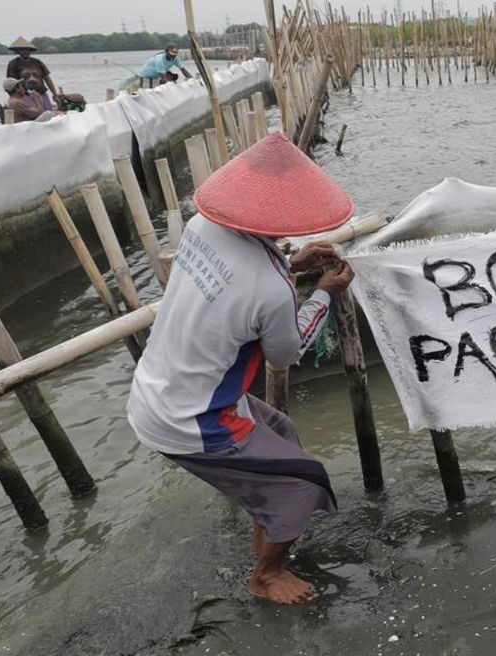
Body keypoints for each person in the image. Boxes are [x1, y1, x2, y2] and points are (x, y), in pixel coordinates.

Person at [126, 132, 355, 604]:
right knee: (302, 481)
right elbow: (286, 354)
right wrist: (324, 293)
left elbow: (238, 278)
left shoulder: (199, 229)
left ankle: (268, 521)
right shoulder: (274, 290)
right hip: (193, 418)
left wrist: (293, 263)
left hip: (160, 388)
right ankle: (267, 574)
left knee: (282, 429)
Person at [5, 37, 60, 108]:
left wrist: (54, 94)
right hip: (25, 95)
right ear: (18, 51)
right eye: (23, 50)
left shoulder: (37, 62)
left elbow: (47, 78)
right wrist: (15, 99)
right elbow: (11, 83)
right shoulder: (13, 64)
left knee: (49, 111)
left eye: (28, 50)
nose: (25, 52)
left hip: (41, 92)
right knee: (34, 114)